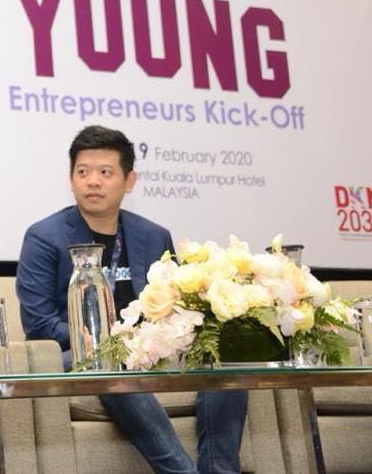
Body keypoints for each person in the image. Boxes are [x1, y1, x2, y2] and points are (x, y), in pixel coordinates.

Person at [16, 125, 248, 474]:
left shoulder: (153, 236)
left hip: (153, 349)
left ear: (129, 180)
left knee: (225, 358)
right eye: (83, 172)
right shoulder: (44, 237)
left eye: (105, 172)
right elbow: (39, 325)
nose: (93, 181)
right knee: (111, 362)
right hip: (82, 355)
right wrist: (113, 341)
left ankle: (221, 469)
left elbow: (179, 309)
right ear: (71, 179)